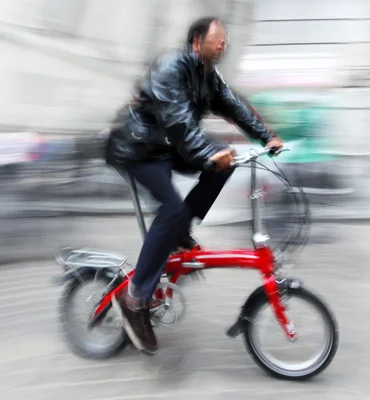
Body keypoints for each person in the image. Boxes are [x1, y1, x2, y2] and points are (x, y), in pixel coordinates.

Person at [105, 16, 283, 355]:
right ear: (196, 41)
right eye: (218, 38)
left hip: (168, 148)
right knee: (171, 208)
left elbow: (235, 106)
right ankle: (135, 297)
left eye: (226, 40)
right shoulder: (171, 67)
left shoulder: (207, 76)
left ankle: (179, 231)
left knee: (226, 162)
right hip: (139, 148)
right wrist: (205, 154)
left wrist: (266, 137)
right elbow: (177, 120)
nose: (224, 44)